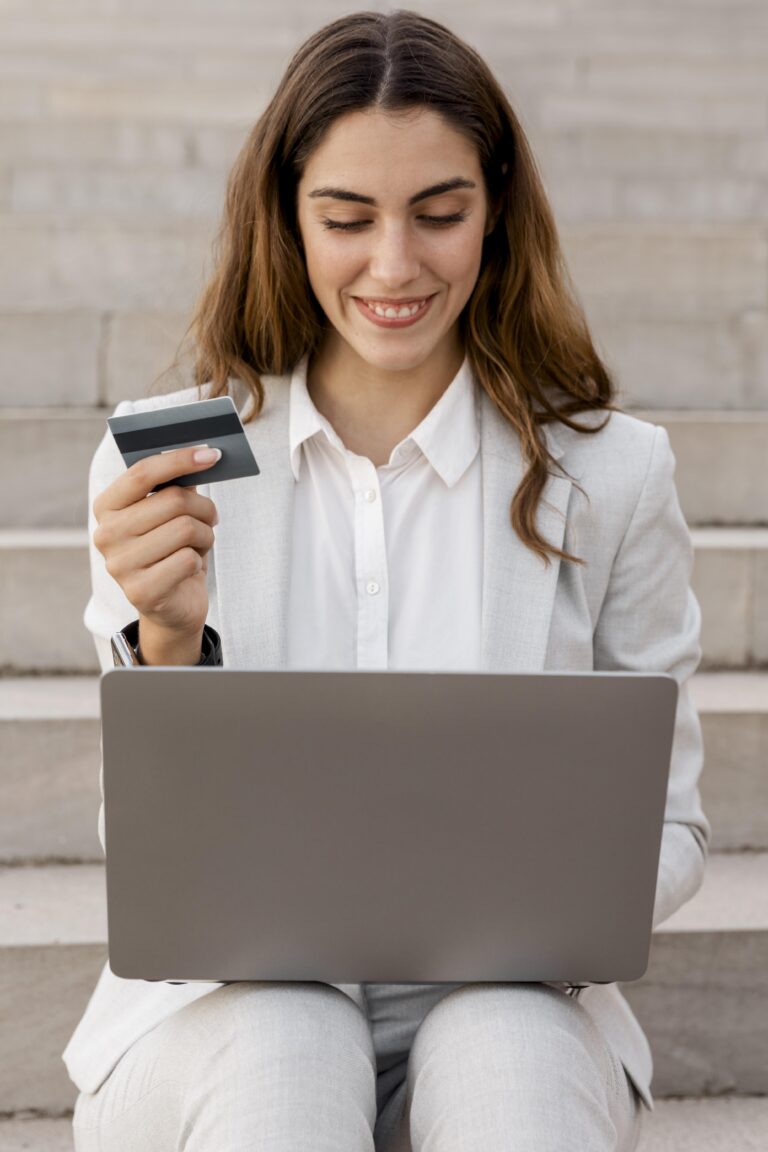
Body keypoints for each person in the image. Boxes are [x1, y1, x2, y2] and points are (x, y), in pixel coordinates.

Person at [62, 9, 710, 1151]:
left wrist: (527, 921)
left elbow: (670, 826)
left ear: (495, 212)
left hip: (520, 1004)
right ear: (287, 216)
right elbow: (154, 853)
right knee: (289, 1044)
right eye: (347, 218)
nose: (395, 265)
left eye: (440, 214)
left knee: (501, 1050)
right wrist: (169, 642)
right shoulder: (168, 461)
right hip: (221, 1018)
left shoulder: (612, 472)